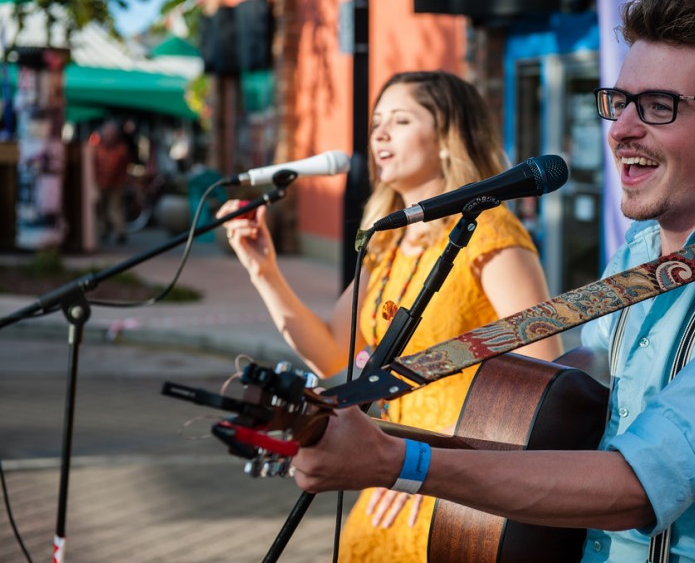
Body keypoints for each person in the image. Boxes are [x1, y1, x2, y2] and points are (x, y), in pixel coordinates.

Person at [291, 0, 695, 561]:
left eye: (659, 106)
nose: (621, 130)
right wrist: (388, 423)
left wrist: (402, 465)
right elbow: (582, 410)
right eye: (620, 102)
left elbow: (639, 487)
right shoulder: (634, 259)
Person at [217, 70, 563, 562]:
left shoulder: (493, 236)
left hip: (456, 487)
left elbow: (546, 381)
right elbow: (333, 352)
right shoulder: (387, 242)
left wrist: (431, 468)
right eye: (377, 121)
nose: (379, 133)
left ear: (447, 138)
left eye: (400, 120)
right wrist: (263, 271)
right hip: (392, 475)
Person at [93, 120, 131, 244]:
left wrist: (123, 179)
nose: (109, 137)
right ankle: (103, 230)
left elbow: (125, 165)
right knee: (101, 208)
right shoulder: (97, 149)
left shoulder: (121, 149)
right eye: (108, 134)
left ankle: (119, 232)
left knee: (115, 208)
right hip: (100, 182)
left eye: (112, 134)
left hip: (116, 183)